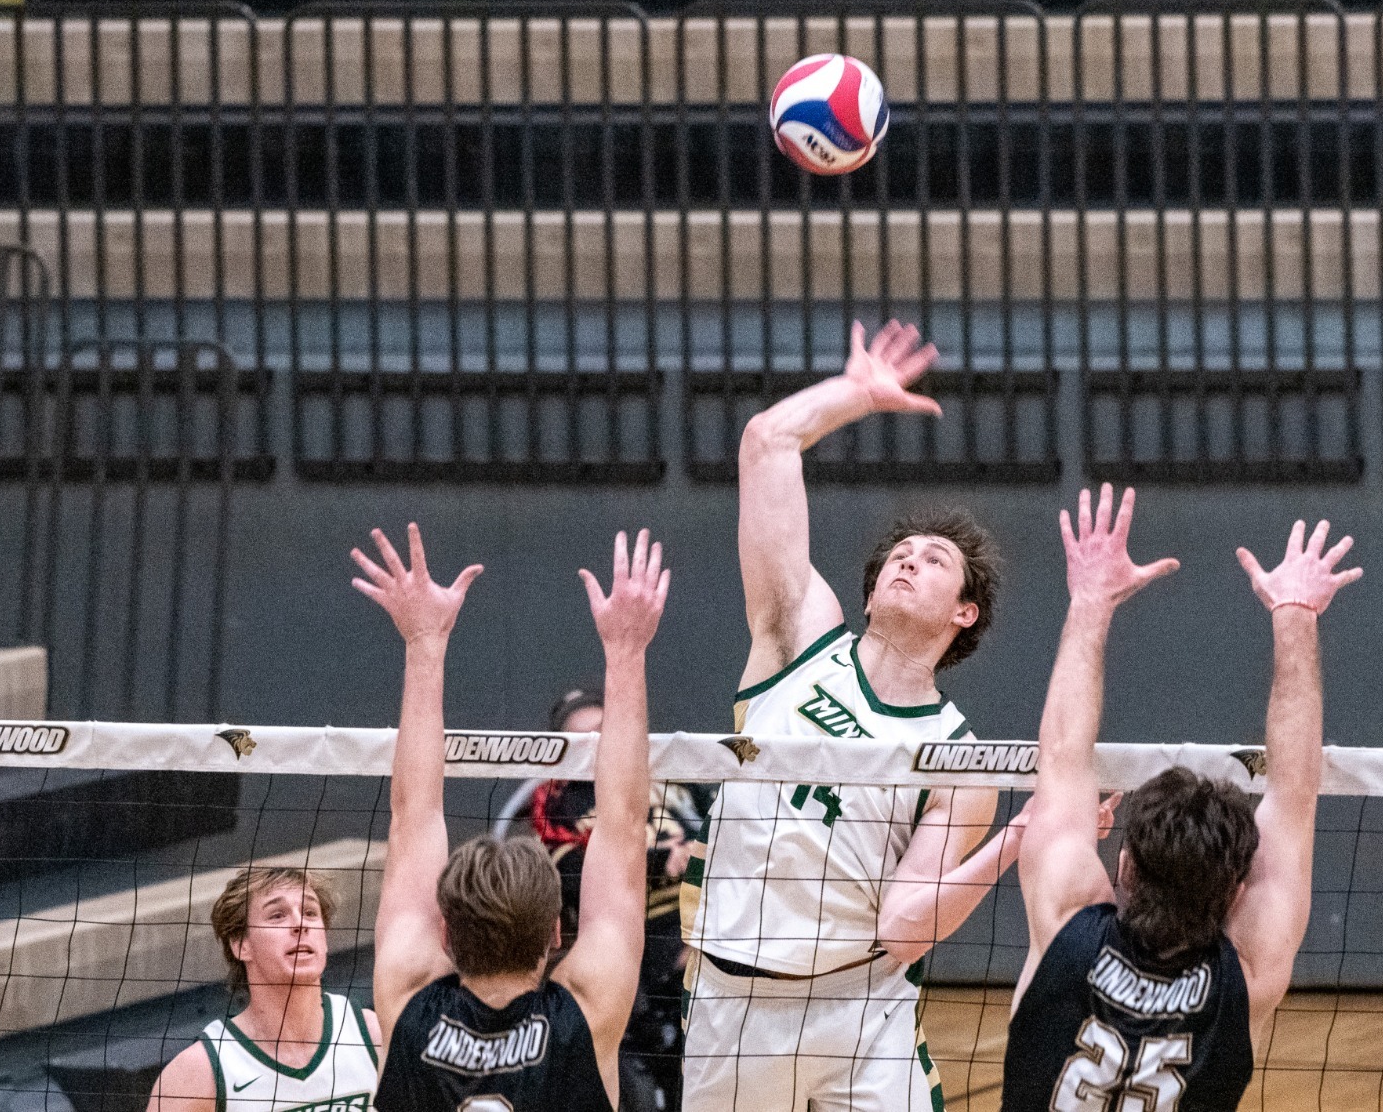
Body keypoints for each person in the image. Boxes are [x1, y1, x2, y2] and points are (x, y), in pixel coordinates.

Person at [681, 320, 1031, 1112]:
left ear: (965, 612)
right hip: (736, 1005)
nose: (909, 558)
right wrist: (857, 394)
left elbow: (906, 926)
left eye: (934, 559)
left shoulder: (960, 759)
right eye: (899, 555)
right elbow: (768, 442)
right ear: (868, 594)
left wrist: (1014, 840)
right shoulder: (799, 638)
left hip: (862, 1005)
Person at [1002, 489, 1361, 1112]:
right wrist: (1295, 615)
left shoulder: (1066, 923)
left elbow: (1062, 753)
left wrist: (1091, 601)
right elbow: (1297, 790)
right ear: (1235, 892)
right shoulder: (1244, 980)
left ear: (1125, 867)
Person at [353, 523, 669, 1111]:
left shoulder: (408, 996)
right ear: (555, 933)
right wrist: (626, 653)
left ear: (444, 934)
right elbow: (624, 823)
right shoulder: (586, 1010)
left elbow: (413, 817)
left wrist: (424, 644)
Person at [520, 688, 709, 1112]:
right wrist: (658, 860)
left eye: (604, 731)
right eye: (582, 738)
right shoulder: (556, 801)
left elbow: (723, 828)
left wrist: (694, 856)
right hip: (624, 937)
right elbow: (566, 873)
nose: (598, 744)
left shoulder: (670, 772)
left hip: (699, 924)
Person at [145, 868, 382, 1111]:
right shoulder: (198, 1072)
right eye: (277, 915)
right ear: (240, 945)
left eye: (310, 912)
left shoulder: (373, 1036)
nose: (300, 923)